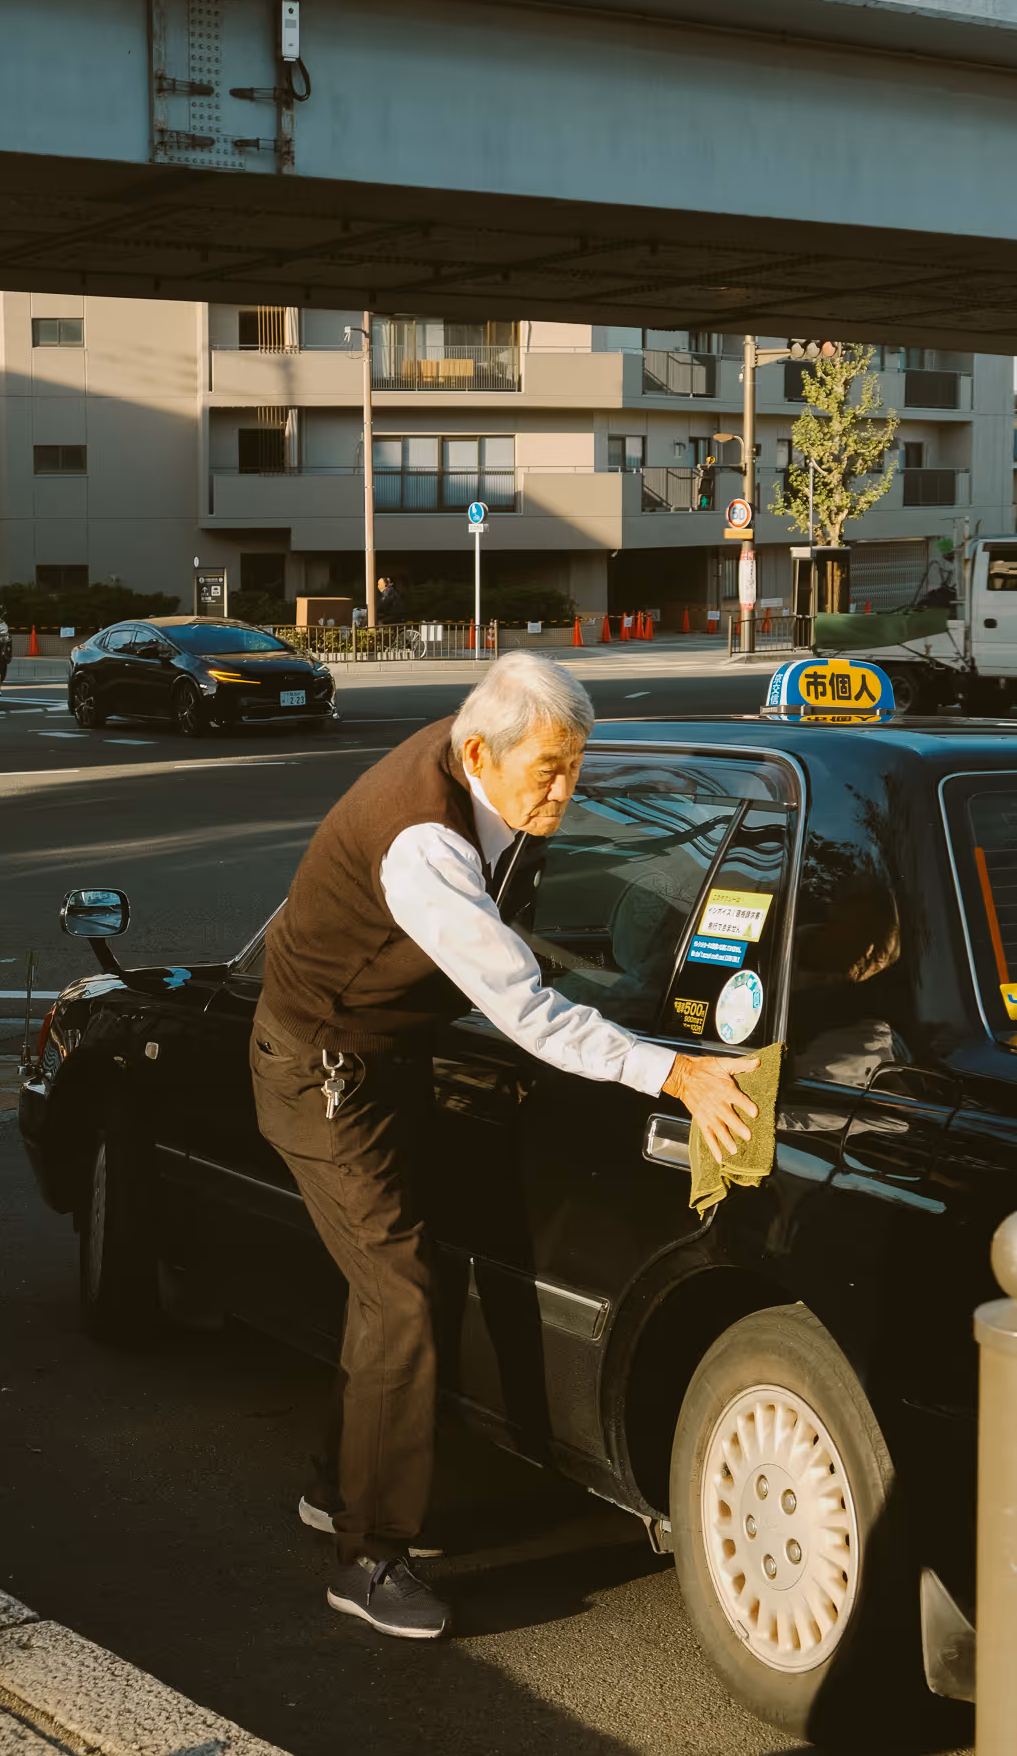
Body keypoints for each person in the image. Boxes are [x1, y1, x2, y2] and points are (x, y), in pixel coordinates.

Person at [251, 653, 758, 1642]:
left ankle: (337, 1484)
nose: (567, 792)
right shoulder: (422, 847)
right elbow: (529, 1011)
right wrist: (676, 1072)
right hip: (321, 1068)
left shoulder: (481, 767)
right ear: (478, 749)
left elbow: (619, 877)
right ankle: (367, 1554)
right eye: (551, 771)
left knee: (402, 1278)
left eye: (577, 766)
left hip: (383, 1052)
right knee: (400, 1289)